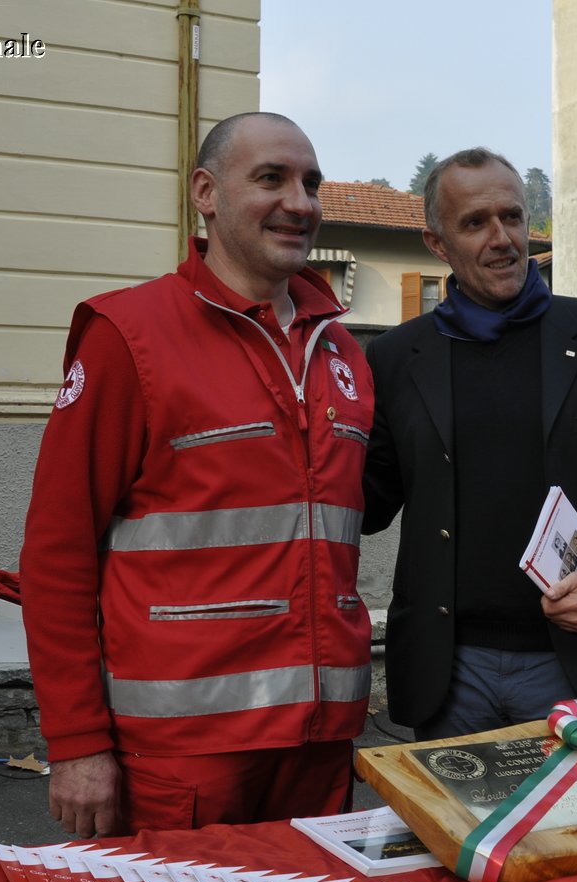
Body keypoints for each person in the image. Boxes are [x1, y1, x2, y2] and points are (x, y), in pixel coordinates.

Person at [20, 113, 374, 838]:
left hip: (319, 747)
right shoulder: (128, 336)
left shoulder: (342, 351)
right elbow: (57, 556)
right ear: (205, 194)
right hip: (181, 758)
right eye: (271, 179)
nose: (300, 202)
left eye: (311, 183)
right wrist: (78, 742)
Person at [363, 147, 577, 741]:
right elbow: (371, 501)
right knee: (457, 836)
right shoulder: (395, 357)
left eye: (511, 217)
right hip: (447, 671)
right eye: (475, 223)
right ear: (437, 244)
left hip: (575, 663)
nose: (502, 237)